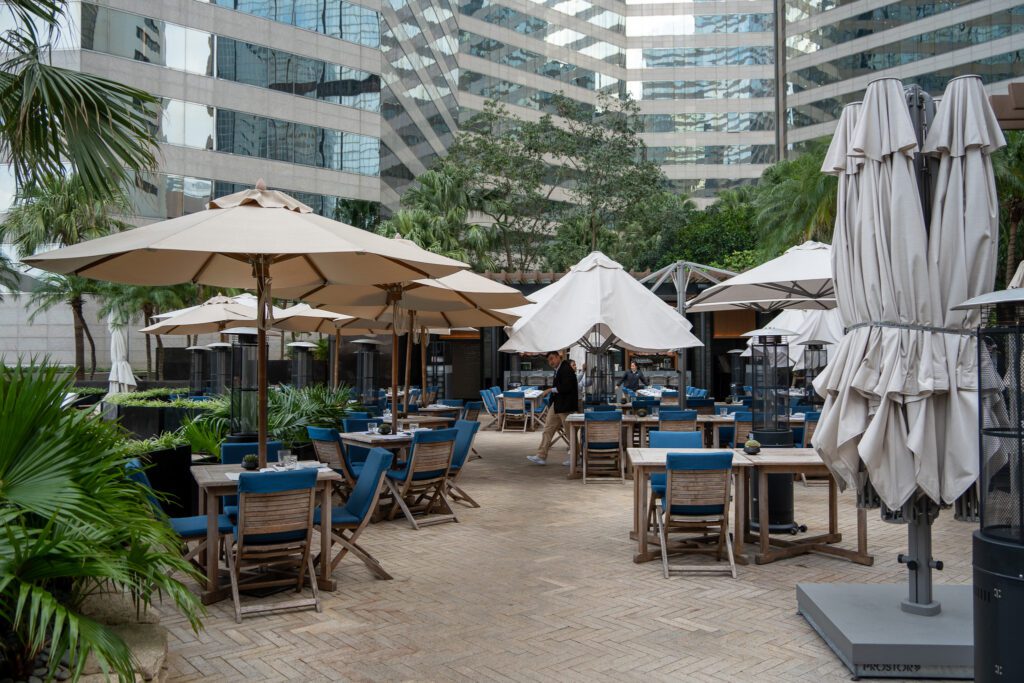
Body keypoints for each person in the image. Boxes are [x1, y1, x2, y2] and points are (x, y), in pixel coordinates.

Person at [527, 350, 578, 465]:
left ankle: (576, 458)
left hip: (566, 406)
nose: (550, 362)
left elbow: (566, 387)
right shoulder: (558, 370)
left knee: (570, 433)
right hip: (557, 405)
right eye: (549, 360)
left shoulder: (566, 369)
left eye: (552, 359)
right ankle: (541, 456)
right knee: (547, 429)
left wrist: (550, 390)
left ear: (558, 357)